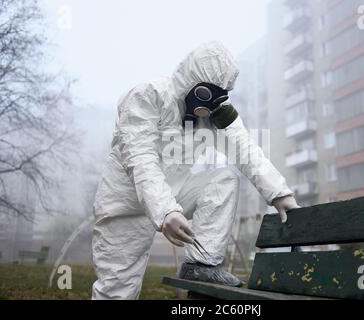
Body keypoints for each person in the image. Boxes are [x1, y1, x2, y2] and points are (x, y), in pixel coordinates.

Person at [92, 42, 301, 300]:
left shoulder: (215, 115)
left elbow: (246, 151)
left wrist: (280, 194)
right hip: (125, 206)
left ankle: (200, 266)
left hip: (174, 194)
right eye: (207, 93)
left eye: (219, 95)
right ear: (192, 83)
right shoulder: (148, 96)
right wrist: (165, 210)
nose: (212, 103)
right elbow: (140, 158)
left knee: (223, 180)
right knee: (117, 291)